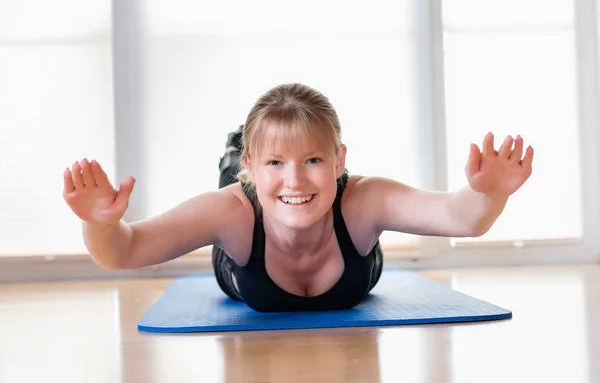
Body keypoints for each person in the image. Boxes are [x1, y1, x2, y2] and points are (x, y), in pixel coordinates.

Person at [63, 83, 534, 312]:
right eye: (274, 163)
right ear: (253, 168)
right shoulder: (230, 209)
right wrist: (100, 223)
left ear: (339, 160)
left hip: (323, 206)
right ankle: (235, 151)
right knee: (247, 184)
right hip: (248, 216)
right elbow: (123, 251)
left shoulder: (364, 200)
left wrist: (485, 193)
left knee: (292, 191)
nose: (297, 181)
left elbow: (462, 217)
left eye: (313, 160)